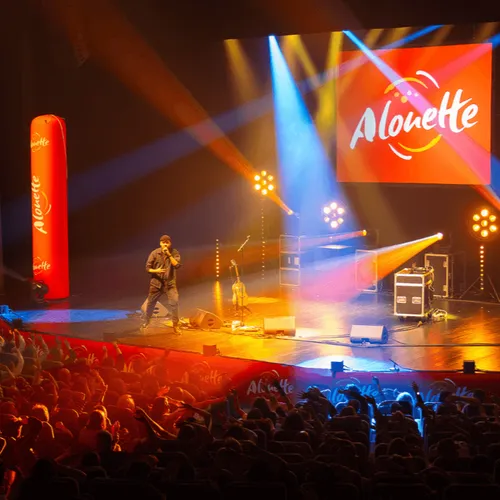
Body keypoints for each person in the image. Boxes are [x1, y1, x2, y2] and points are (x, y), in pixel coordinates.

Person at [142, 235, 182, 334]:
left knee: (174, 303)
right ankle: (146, 321)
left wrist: (169, 255)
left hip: (170, 284)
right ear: (160, 243)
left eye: (167, 242)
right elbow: (147, 268)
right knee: (151, 303)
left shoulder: (174, 252)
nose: (165, 244)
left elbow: (177, 265)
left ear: (170, 243)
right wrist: (156, 270)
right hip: (156, 284)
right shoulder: (154, 253)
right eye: (163, 242)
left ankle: (175, 325)